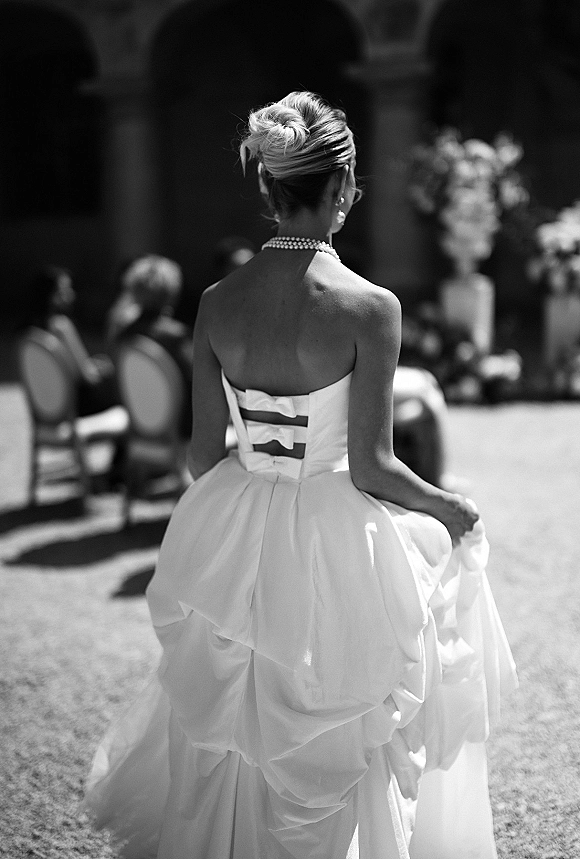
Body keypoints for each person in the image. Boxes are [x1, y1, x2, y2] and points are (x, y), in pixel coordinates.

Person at [83, 92, 517, 859]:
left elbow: (200, 454)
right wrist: (448, 505)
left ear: (267, 186)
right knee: (341, 713)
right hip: (335, 522)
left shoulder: (216, 302)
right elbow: (374, 464)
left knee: (234, 710)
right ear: (343, 187)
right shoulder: (370, 307)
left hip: (239, 511)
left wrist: (251, 487)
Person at [108, 254, 194, 439]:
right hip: (180, 429)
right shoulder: (176, 336)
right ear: (172, 292)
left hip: (138, 426)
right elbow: (198, 382)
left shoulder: (124, 335)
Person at [24, 265, 120, 417]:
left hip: (51, 405)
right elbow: (86, 376)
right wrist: (103, 369)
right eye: (65, 290)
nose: (71, 294)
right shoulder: (61, 326)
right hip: (78, 404)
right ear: (51, 295)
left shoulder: (30, 334)